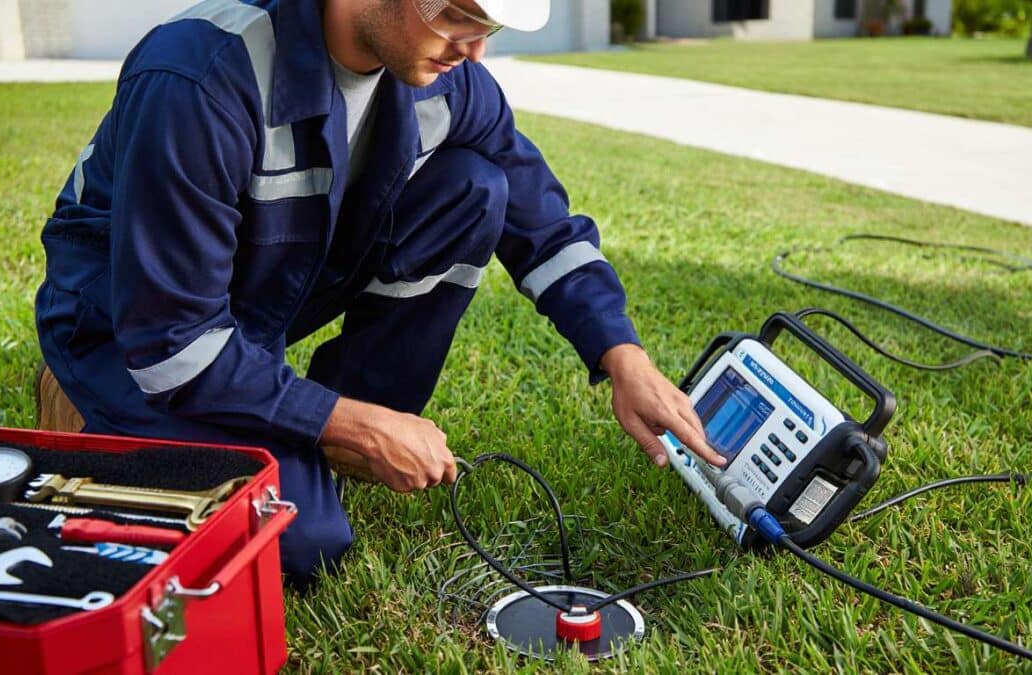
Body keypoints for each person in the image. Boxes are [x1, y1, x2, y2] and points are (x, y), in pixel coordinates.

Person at [35, 0, 724, 587]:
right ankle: (83, 396)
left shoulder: (445, 79)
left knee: (477, 187)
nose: (475, 49)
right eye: (457, 15)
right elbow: (173, 341)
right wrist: (349, 423)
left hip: (261, 294)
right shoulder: (200, 77)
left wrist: (620, 354)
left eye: (491, 26)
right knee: (302, 543)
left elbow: (541, 221)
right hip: (132, 327)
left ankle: (327, 424)